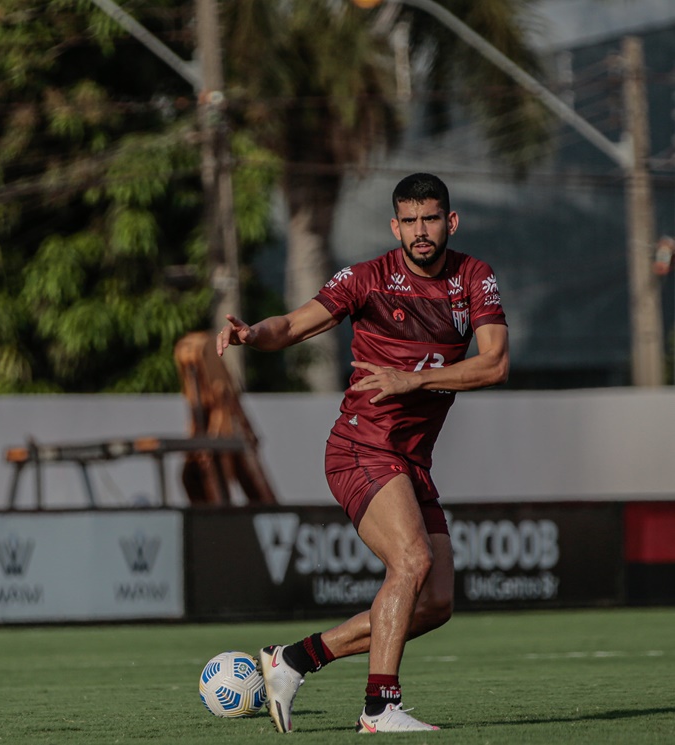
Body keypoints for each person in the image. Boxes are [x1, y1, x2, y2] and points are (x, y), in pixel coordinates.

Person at [216, 172, 509, 733]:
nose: (420, 231)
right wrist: (254, 334)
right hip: (361, 447)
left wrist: (411, 380)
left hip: (412, 462)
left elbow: (495, 363)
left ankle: (294, 660)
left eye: (430, 219)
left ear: (450, 222)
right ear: (395, 226)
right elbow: (292, 325)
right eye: (410, 221)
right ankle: (379, 708)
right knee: (412, 562)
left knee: (435, 603)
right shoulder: (367, 278)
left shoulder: (475, 277)